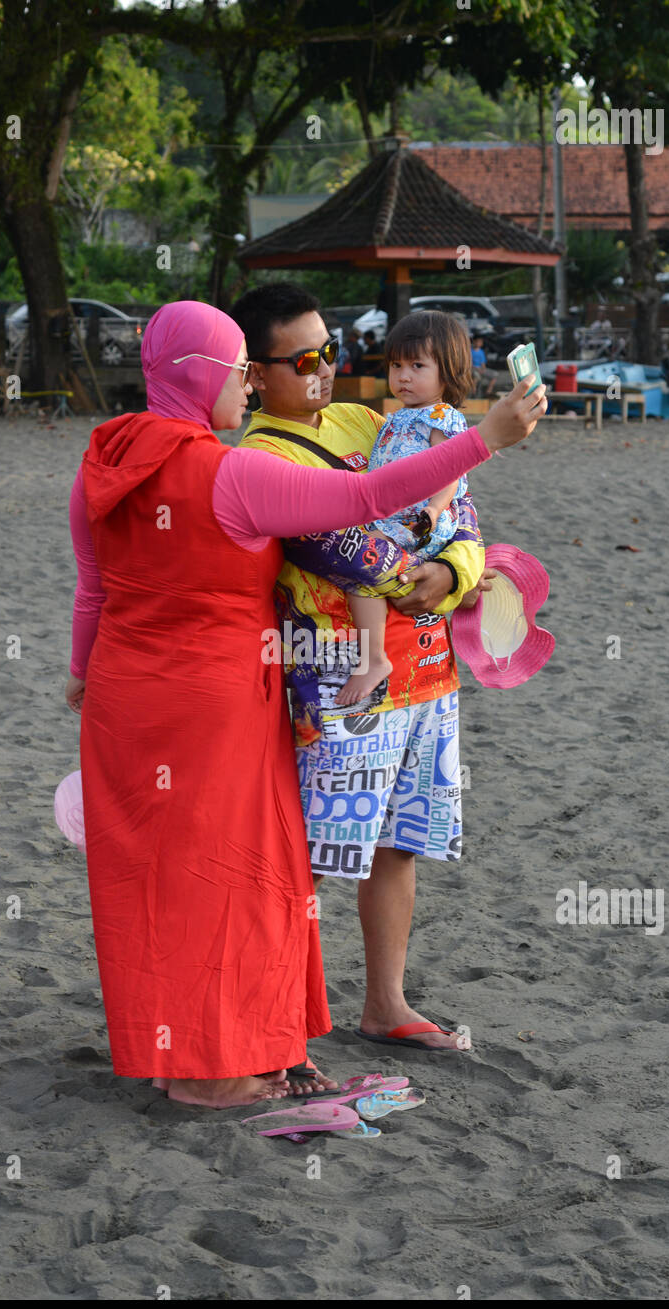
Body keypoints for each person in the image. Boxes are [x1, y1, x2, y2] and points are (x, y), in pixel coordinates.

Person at [64, 298, 545, 1107]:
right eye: (238, 374)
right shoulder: (234, 471)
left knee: (156, 883)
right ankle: (211, 1079)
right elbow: (364, 505)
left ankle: (200, 1049)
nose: (247, 389)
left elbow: (92, 589)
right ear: (209, 376)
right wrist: (485, 440)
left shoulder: (101, 465)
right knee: (235, 879)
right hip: (215, 702)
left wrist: (80, 676)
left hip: (125, 699)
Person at [231, 283, 545, 1063]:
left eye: (330, 351)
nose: (324, 370)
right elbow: (332, 541)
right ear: (252, 375)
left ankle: (384, 1003)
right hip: (336, 677)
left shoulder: (367, 421)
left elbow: (456, 507)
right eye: (302, 360)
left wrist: (459, 571)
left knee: (397, 843)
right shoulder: (256, 456)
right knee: (305, 850)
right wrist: (420, 575)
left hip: (423, 668)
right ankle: (270, 1015)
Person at [336, 311, 475, 706]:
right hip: (395, 516)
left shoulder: (442, 417)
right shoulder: (395, 418)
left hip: (419, 522)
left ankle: (374, 659)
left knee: (362, 561)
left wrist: (433, 509)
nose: (404, 376)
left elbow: (451, 468)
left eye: (417, 366)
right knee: (360, 552)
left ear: (447, 372)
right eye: (396, 365)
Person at [470, 333, 497, 398]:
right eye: (477, 341)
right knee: (476, 376)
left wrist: (483, 369)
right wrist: (478, 369)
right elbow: (469, 364)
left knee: (495, 375)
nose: (479, 343)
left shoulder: (481, 352)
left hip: (480, 369)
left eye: (480, 342)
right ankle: (473, 393)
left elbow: (483, 363)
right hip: (473, 369)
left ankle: (488, 392)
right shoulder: (470, 351)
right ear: (473, 341)